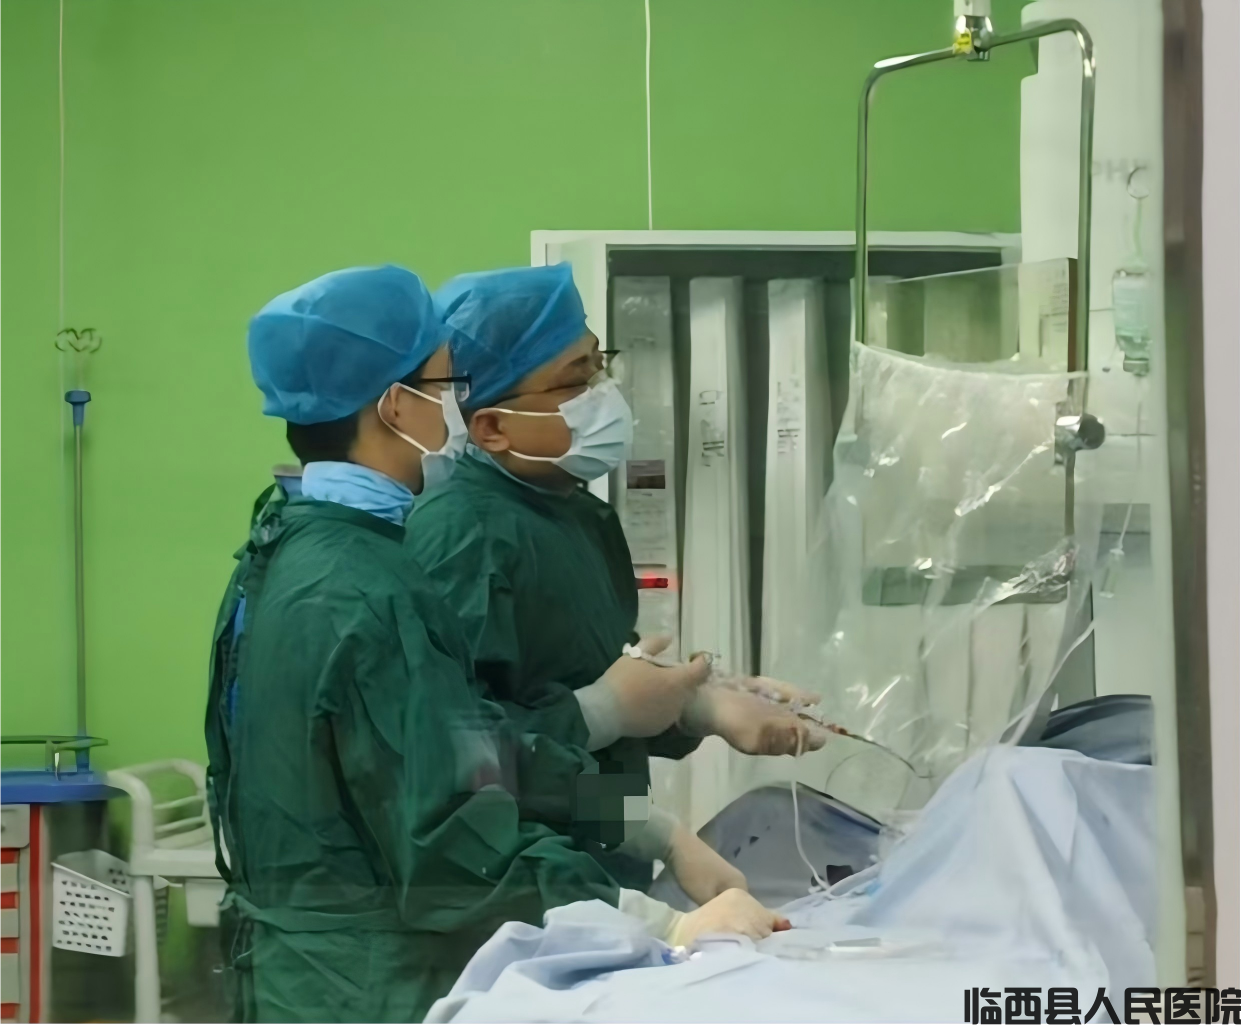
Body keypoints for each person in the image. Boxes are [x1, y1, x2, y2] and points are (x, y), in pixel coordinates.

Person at [205, 265, 785, 1024]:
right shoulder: (369, 590)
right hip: (370, 984)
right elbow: (453, 831)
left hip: (323, 969)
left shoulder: (292, 546)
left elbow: (471, 749)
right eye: (447, 384)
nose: (459, 403)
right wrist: (657, 923)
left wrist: (650, 819)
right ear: (396, 406)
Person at [407, 263, 826, 905]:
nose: (604, 391)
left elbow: (582, 693)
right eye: (577, 378)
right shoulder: (463, 536)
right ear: (491, 426)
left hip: (591, 870)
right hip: (514, 889)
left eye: (600, 363)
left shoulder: (573, 513)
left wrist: (701, 703)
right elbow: (473, 760)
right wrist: (655, 830)